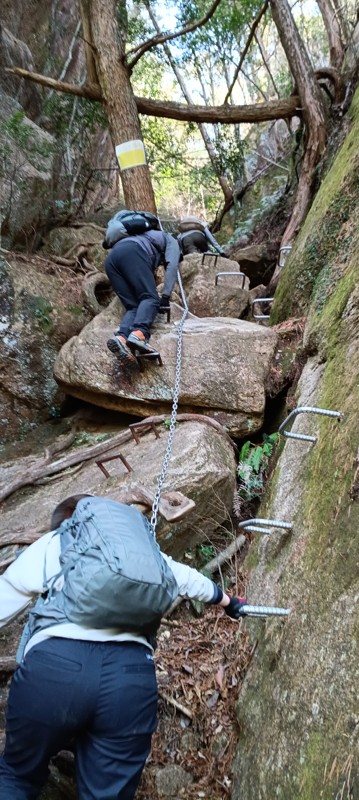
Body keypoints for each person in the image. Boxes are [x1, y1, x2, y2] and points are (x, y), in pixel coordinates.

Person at [0, 494, 245, 800]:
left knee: (17, 776)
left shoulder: (60, 540)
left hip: (54, 671)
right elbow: (191, 581)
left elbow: (5, 596)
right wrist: (230, 602)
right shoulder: (145, 556)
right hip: (130, 683)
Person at [105, 222, 180, 364]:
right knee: (150, 298)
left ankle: (121, 338)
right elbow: (172, 266)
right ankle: (139, 334)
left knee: (134, 306)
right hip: (132, 253)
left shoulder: (144, 235)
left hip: (111, 259)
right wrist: (165, 296)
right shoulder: (172, 241)